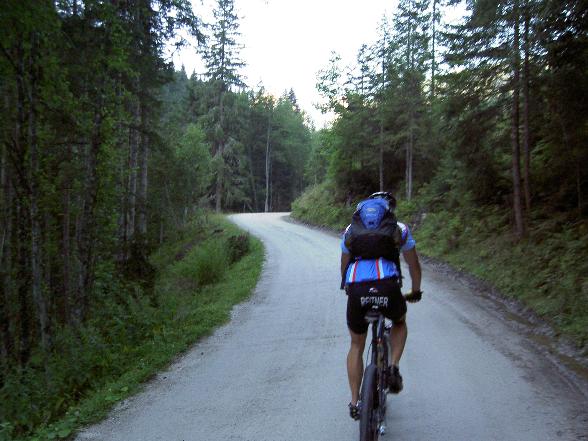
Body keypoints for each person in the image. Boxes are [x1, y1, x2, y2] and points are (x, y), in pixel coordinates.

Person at [340, 191, 422, 420]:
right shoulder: (399, 229)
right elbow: (414, 265)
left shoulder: (350, 230)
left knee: (356, 344)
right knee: (399, 321)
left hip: (356, 289)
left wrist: (347, 287)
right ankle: (393, 367)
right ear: (388, 210)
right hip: (388, 286)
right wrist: (415, 291)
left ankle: (355, 402)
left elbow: (344, 265)